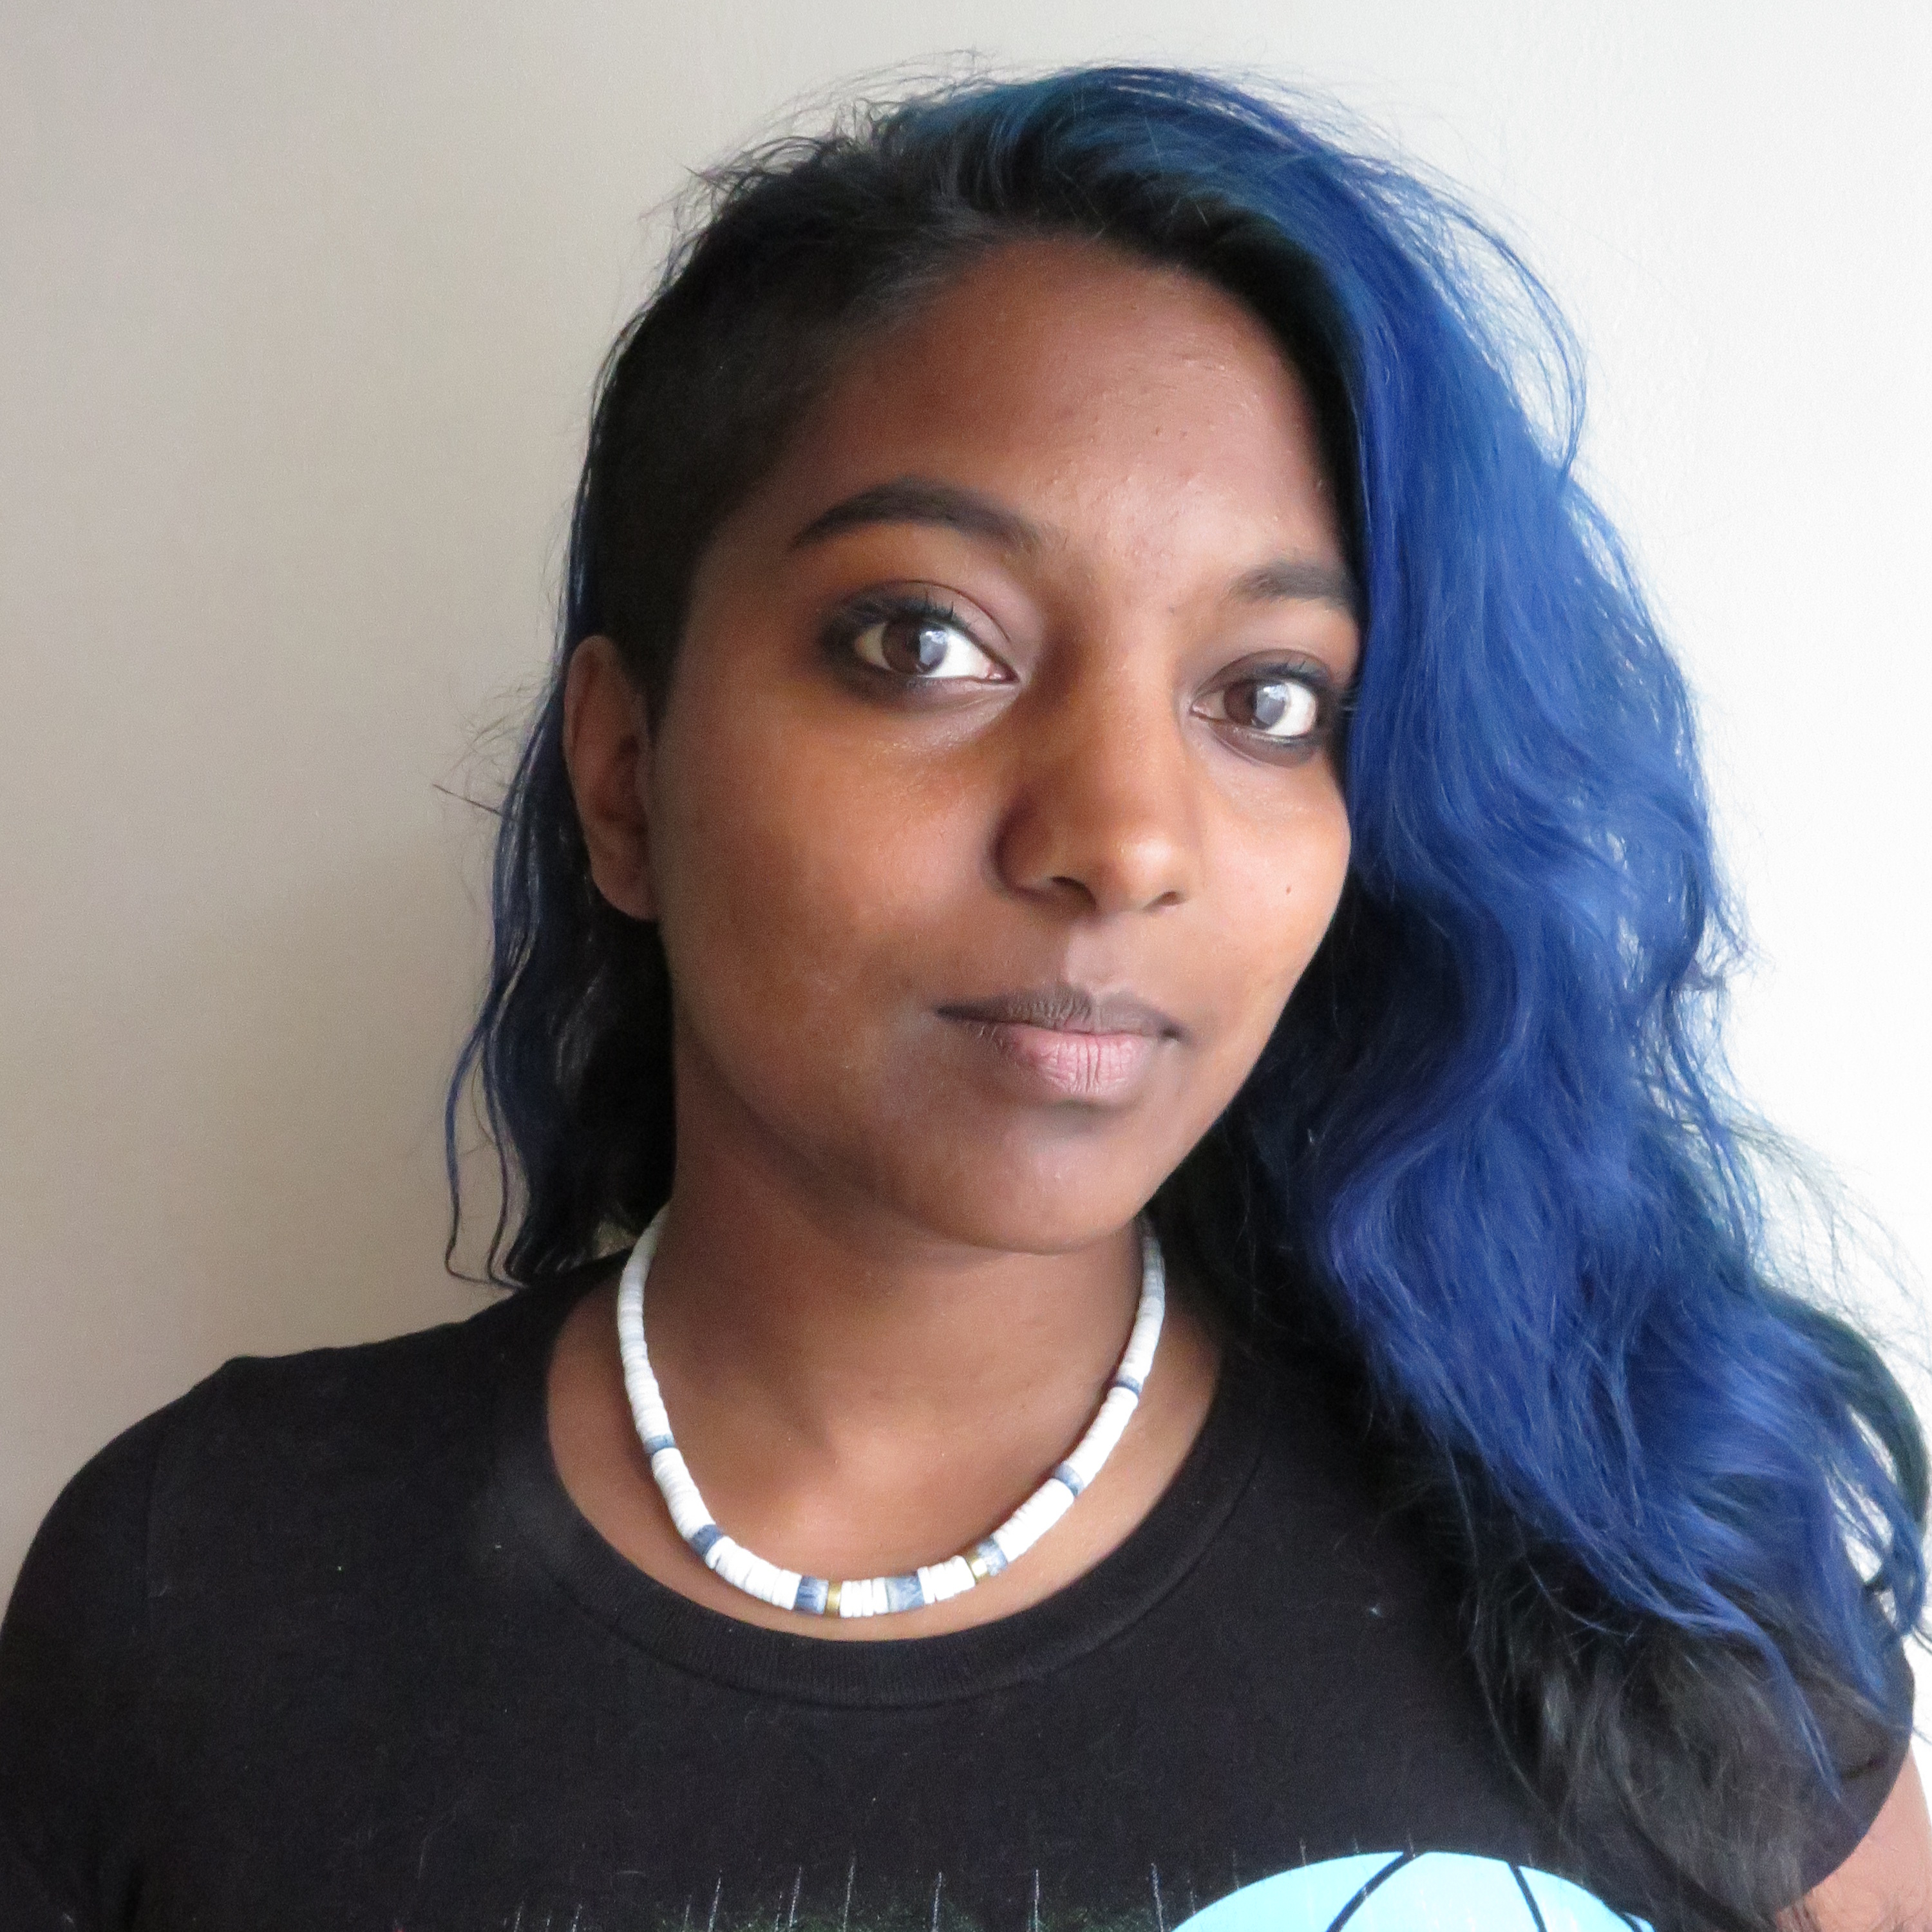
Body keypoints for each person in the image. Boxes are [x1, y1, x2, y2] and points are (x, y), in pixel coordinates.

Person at [1, 65, 1924, 1932]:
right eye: (926, 642)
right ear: (624, 778)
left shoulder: (1637, 1564)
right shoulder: (208, 1581)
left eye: (1269, 698)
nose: (1123, 838)